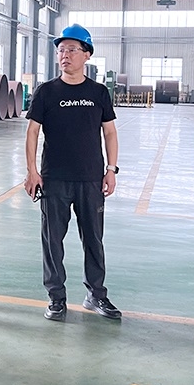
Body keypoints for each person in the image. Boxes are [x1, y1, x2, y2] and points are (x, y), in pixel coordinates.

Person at [24, 24, 120, 322]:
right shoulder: (46, 92)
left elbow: (110, 132)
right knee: (52, 241)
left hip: (91, 178)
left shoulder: (98, 92)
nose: (64, 55)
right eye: (61, 50)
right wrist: (32, 171)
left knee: (93, 239)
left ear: (87, 55)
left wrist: (111, 170)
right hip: (54, 178)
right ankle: (56, 297)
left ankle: (96, 294)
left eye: (72, 50)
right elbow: (32, 132)